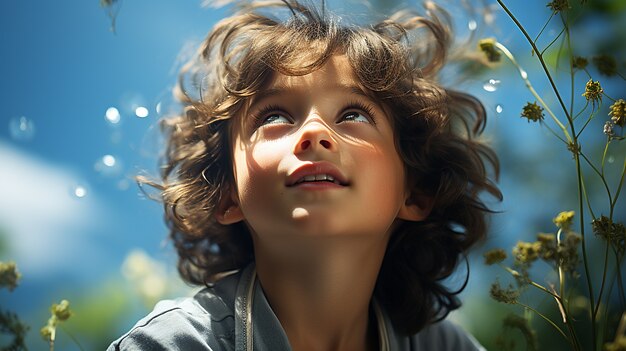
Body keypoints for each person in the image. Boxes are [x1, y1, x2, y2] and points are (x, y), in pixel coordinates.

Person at [108, 0, 502, 349]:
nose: (315, 132)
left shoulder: (442, 345)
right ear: (226, 195)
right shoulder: (175, 344)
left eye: (353, 115)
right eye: (275, 116)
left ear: (414, 193)